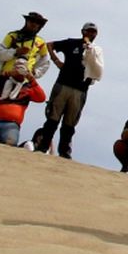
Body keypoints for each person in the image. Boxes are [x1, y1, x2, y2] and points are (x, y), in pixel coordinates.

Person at [32, 22, 104, 159]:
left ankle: (65, 152)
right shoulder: (72, 43)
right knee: (53, 117)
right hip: (63, 84)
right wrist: (57, 61)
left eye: (93, 32)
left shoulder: (96, 50)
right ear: (83, 31)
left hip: (81, 89)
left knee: (70, 123)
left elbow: (99, 68)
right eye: (88, 31)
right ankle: (43, 146)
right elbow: (50, 45)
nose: (90, 34)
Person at [0, 12, 50, 82]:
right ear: (27, 22)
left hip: (25, 81)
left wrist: (35, 73)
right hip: (6, 77)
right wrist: (16, 52)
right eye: (32, 21)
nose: (34, 24)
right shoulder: (12, 36)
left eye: (38, 22)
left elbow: (45, 62)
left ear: (40, 26)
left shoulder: (41, 42)